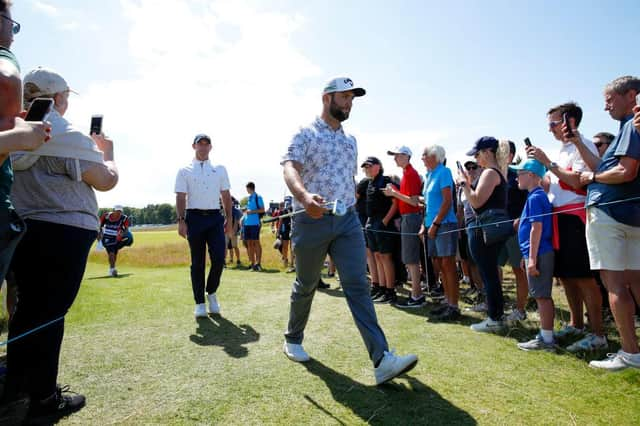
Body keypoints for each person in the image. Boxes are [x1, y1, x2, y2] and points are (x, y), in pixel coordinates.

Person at [281, 77, 417, 385]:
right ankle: (292, 337)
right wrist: (304, 197)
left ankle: (381, 359)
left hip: (347, 222)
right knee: (307, 282)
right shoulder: (304, 133)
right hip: (310, 217)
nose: (349, 103)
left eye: (352, 99)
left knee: (357, 285)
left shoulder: (350, 141)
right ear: (326, 98)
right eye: (344, 97)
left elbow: (346, 183)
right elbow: (290, 168)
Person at [4, 66, 118, 423]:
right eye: (65, 97)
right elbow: (106, 180)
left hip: (24, 230)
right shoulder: (68, 135)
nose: (67, 103)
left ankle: (17, 387)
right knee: (49, 315)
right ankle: (45, 398)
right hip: (64, 232)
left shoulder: (11, 127)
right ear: (55, 99)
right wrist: (107, 151)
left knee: (27, 311)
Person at [527, 102, 606, 353]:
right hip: (559, 217)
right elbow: (556, 183)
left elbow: (578, 182)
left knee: (584, 278)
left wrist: (547, 162)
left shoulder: (583, 146)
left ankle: (598, 334)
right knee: (567, 276)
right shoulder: (563, 149)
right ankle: (576, 324)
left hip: (576, 218)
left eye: (553, 123)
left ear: (569, 122)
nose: (550, 129)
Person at [573, 76, 640, 370]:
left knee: (614, 284)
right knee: (634, 282)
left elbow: (624, 171)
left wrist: (593, 179)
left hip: (610, 216)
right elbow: (605, 166)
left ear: (631, 96)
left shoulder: (631, 126)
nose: (605, 106)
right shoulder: (629, 128)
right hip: (629, 216)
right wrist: (578, 141)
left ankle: (629, 353)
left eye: (610, 99)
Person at [175, 133, 232, 318]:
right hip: (194, 218)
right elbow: (181, 196)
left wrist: (229, 218)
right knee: (197, 262)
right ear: (194, 146)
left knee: (218, 259)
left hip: (215, 217)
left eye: (207, 144)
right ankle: (199, 303)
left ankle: (211, 292)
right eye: (200, 144)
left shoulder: (219, 169)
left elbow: (225, 195)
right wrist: (181, 220)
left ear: (210, 148)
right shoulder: (184, 170)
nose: (203, 147)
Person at [458, 136, 511, 333]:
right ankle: (496, 314)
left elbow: (477, 202)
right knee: (490, 273)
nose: (476, 158)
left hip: (484, 229)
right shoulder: (497, 171)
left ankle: (494, 317)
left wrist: (465, 184)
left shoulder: (490, 173)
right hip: (489, 228)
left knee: (488, 274)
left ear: (488, 152)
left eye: (478, 154)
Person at [513, 159, 556, 351]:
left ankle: (546, 339)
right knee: (540, 295)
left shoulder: (536, 197)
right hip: (535, 252)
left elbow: (536, 228)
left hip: (540, 253)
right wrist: (526, 255)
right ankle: (545, 335)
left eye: (520, 173)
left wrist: (531, 258)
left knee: (542, 296)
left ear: (531, 175)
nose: (516, 178)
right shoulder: (535, 196)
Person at [418, 145, 459, 320]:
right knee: (439, 265)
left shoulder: (444, 172)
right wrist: (424, 225)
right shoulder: (429, 175)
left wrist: (435, 223)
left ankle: (454, 306)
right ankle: (448, 302)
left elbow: (447, 201)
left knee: (448, 264)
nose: (422, 158)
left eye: (425, 155)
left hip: (444, 224)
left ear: (436, 157)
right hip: (432, 224)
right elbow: (428, 204)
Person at [383, 146, 425, 305]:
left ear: (406, 156)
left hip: (411, 218)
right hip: (408, 217)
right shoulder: (407, 173)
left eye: (397, 155)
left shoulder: (411, 174)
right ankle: (416, 294)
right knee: (409, 258)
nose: (395, 158)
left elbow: (413, 201)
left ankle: (417, 296)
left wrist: (394, 193)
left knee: (411, 258)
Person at [362, 156, 398, 304]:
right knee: (377, 256)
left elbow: (395, 203)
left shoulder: (385, 181)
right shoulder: (370, 183)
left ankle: (390, 291)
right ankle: (382, 288)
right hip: (371, 222)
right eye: (366, 167)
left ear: (378, 166)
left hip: (381, 223)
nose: (367, 169)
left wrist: (385, 221)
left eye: (370, 166)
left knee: (385, 257)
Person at [501, 142, 529, 322]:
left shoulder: (516, 175)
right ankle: (494, 304)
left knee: (519, 269)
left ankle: (520, 309)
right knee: (495, 266)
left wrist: (522, 218)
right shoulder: (493, 174)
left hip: (516, 228)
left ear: (511, 155)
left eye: (502, 152)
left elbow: (530, 196)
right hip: (498, 229)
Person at [98, 204, 132, 277]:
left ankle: (111, 269)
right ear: (114, 210)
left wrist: (122, 233)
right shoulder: (106, 216)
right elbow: (99, 226)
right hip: (106, 238)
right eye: (117, 211)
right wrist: (100, 235)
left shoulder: (124, 218)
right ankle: (113, 269)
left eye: (120, 211)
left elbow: (126, 229)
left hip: (116, 239)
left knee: (114, 254)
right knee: (111, 253)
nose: (119, 213)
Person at [244, 181, 265, 271]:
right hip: (247, 223)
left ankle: (258, 263)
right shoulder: (248, 198)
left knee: (256, 242)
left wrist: (251, 212)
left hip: (255, 223)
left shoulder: (258, 197)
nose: (246, 190)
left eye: (247, 188)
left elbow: (262, 210)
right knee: (249, 244)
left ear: (250, 188)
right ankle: (252, 264)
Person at [226, 198, 242, 266]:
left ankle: (238, 260)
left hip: (233, 231)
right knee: (226, 247)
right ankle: (227, 261)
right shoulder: (225, 209)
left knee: (235, 246)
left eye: (231, 201)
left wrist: (234, 231)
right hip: (226, 231)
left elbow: (237, 222)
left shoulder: (237, 211)